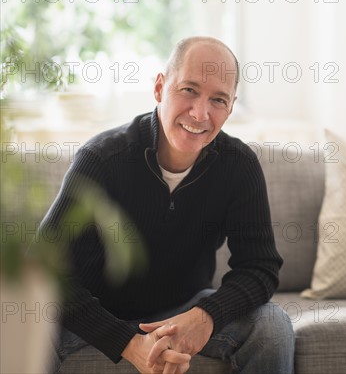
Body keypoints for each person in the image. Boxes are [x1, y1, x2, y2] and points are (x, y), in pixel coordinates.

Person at [44, 36, 295, 373]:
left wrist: (206, 317)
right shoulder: (102, 159)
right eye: (189, 90)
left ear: (231, 107)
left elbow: (260, 268)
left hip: (182, 314)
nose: (200, 113)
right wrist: (130, 344)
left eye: (218, 99)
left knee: (272, 325)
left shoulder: (239, 166)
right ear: (160, 88)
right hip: (93, 321)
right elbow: (46, 272)